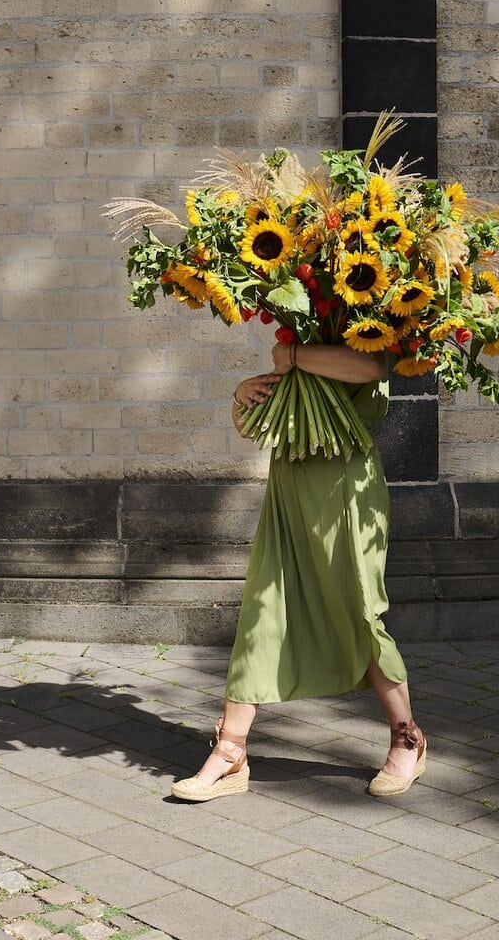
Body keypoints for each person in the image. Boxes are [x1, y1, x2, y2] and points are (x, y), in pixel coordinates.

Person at [170, 339, 426, 802]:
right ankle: (230, 752)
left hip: (345, 491)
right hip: (289, 485)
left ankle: (406, 738)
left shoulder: (362, 322)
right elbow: (254, 423)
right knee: (261, 613)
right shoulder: (301, 327)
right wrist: (242, 394)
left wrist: (289, 356)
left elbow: (370, 367)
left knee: (358, 613)